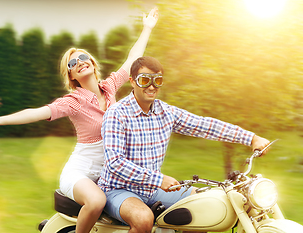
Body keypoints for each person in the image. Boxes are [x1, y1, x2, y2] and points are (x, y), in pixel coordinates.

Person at [0, 8, 159, 233]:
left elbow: (132, 59)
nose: (79, 62)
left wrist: (147, 28)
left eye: (83, 57)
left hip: (108, 174)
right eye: (72, 63)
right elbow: (37, 112)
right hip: (80, 173)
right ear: (72, 76)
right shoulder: (73, 101)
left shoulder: (110, 87)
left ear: (93, 64)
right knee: (96, 202)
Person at [98, 56, 271, 233]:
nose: (151, 86)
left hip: (153, 190)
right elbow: (115, 163)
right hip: (118, 190)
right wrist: (159, 179)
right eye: (144, 80)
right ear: (132, 82)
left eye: (157, 81)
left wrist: (251, 138)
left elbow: (205, 125)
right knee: (143, 219)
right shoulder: (116, 114)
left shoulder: (166, 112)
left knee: (205, 206)